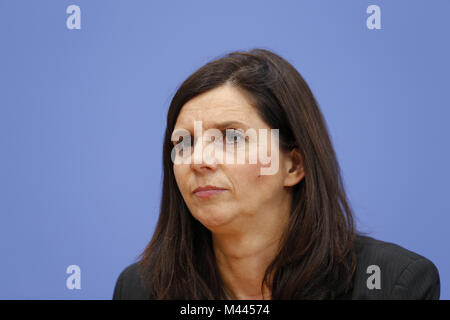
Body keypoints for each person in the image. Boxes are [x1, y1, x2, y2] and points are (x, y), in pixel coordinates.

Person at [113, 48, 440, 300]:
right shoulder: (142, 289)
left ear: (294, 165)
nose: (199, 161)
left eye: (232, 138)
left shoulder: (390, 282)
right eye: (183, 143)